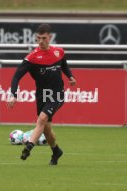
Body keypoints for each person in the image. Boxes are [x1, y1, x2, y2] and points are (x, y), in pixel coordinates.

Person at [7, 24, 76, 165]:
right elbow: (16, 77)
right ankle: (56, 151)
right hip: (42, 95)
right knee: (46, 129)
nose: (40, 41)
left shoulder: (59, 52)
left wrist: (70, 76)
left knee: (42, 119)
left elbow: (64, 65)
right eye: (38, 38)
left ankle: (29, 147)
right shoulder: (32, 58)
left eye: (44, 38)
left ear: (50, 37)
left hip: (56, 94)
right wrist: (14, 94)